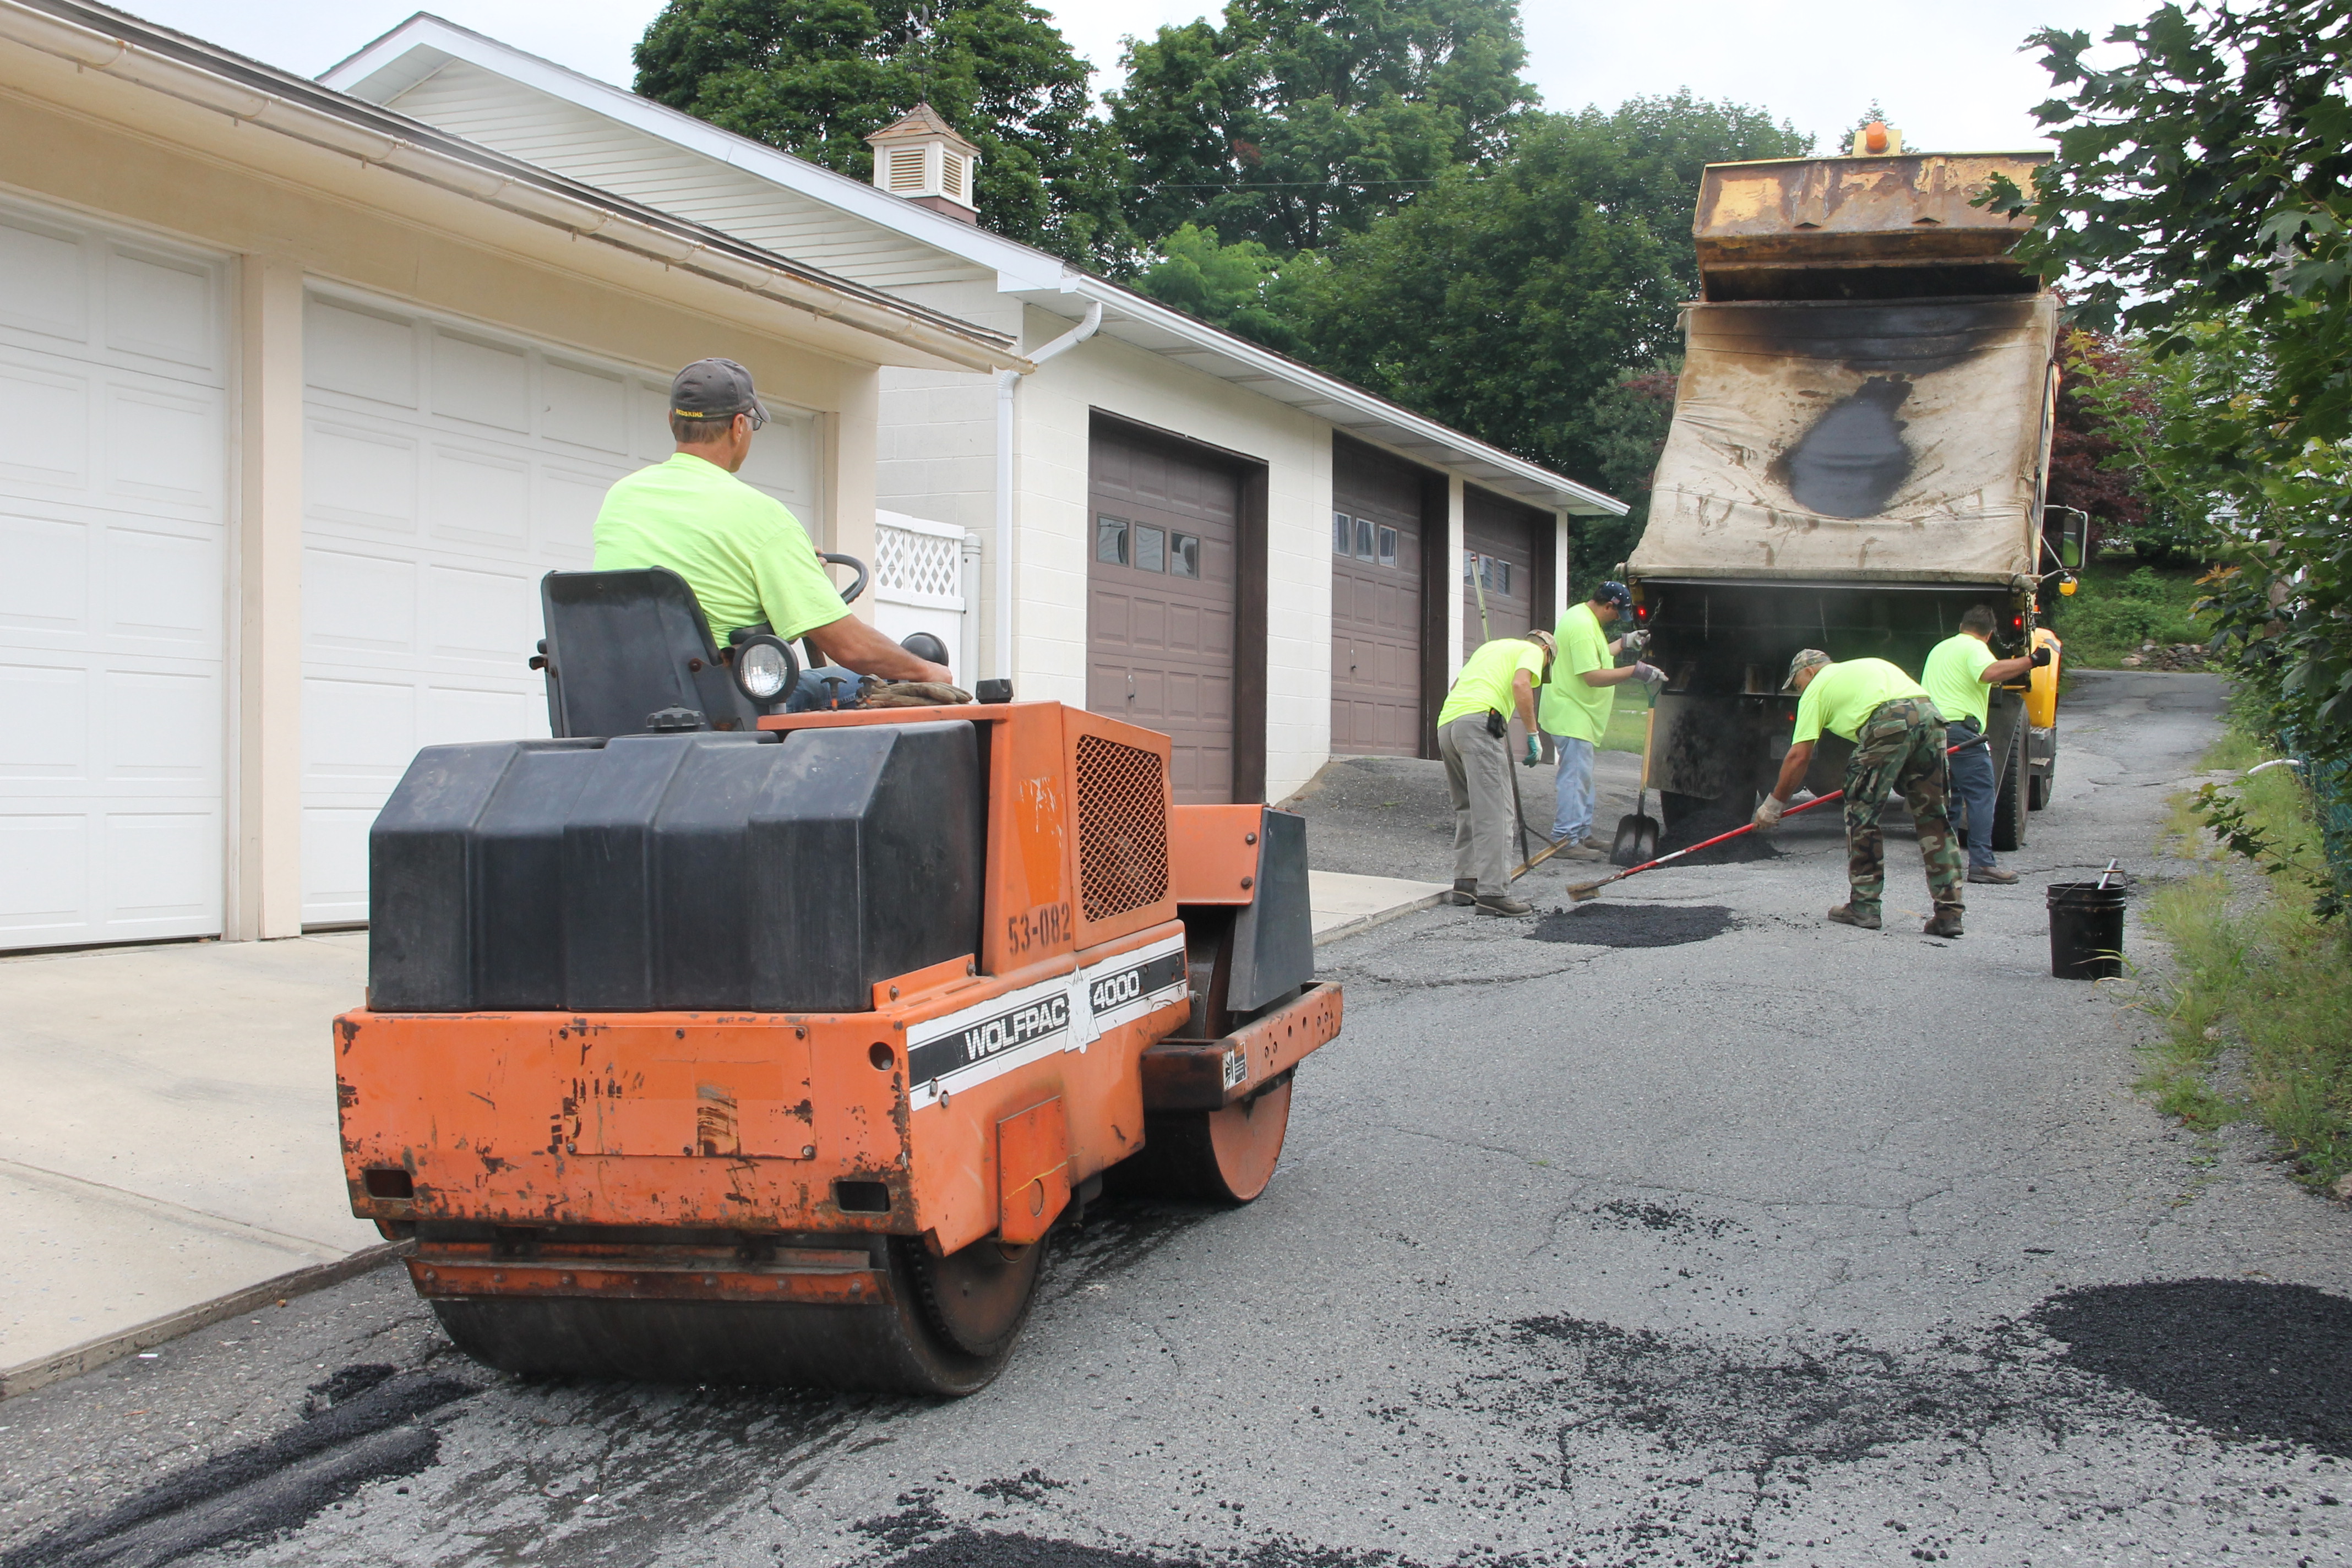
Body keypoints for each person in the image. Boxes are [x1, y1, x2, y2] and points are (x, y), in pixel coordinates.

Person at [593, 358, 951, 710]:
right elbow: (850, 647)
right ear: (739, 426)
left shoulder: (621, 498)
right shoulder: (761, 516)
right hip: (724, 710)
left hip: (623, 703)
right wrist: (928, 671)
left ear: (672, 420)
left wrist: (794, 569)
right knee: (868, 684)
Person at [1754, 649, 1965, 937]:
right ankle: (1949, 914)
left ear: (1810, 671)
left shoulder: (1817, 688)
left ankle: (1864, 906)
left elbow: (1799, 756)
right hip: (1931, 716)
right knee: (1933, 817)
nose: (1799, 691)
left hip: (1889, 718)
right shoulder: (1868, 665)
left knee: (1862, 813)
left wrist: (1774, 805)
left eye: (1797, 684)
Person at [1921, 606, 2052, 885]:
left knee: (1951, 794)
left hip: (1931, 730)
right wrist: (2033, 660)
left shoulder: (1940, 649)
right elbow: (1990, 672)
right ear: (1989, 635)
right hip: (1961, 731)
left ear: (1961, 626)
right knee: (1981, 794)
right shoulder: (1975, 647)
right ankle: (1982, 863)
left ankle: (1943, 860)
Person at [1539, 581, 1665, 859]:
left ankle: (1581, 834)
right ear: (1608, 606)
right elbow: (1592, 676)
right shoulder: (1582, 626)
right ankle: (1564, 840)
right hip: (1571, 713)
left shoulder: (1585, 618)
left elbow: (1596, 655)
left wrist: (1624, 642)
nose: (1616, 619)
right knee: (1575, 779)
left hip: (1577, 713)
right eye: (1616, 614)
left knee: (1583, 778)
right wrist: (1635, 671)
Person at [1435, 630, 1558, 918]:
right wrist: (1533, 734)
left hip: (1448, 724)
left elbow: (1456, 686)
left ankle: (1466, 882)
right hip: (1479, 724)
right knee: (1496, 811)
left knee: (1467, 807)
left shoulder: (1490, 649)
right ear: (1546, 651)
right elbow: (1521, 683)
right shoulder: (1533, 651)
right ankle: (1494, 894)